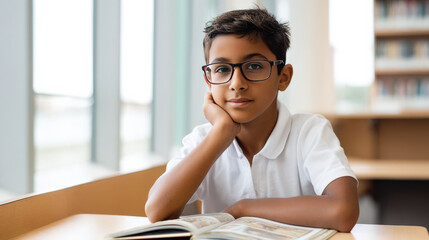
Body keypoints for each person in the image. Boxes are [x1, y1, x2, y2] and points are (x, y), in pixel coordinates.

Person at [145, 8, 359, 232]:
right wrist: (222, 132)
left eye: (254, 66)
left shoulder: (309, 131)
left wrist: (244, 209)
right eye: (221, 69)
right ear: (209, 80)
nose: (236, 83)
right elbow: (156, 210)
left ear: (283, 77)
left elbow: (343, 211)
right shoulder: (202, 139)